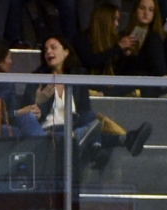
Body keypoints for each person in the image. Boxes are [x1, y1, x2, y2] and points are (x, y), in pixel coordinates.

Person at [21, 34, 152, 162]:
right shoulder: (37, 79)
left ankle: (96, 142)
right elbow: (27, 113)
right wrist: (39, 100)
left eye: (53, 47)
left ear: (66, 52)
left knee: (89, 115)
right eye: (45, 50)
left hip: (73, 126)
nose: (48, 51)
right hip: (50, 132)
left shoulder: (77, 76)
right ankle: (121, 140)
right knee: (90, 129)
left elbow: (84, 109)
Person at [76, 0, 167, 100]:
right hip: (133, 75)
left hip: (148, 75)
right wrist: (123, 51)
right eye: (142, 8)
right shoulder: (120, 37)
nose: (146, 13)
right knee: (154, 38)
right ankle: (163, 84)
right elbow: (103, 63)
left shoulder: (160, 37)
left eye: (151, 10)